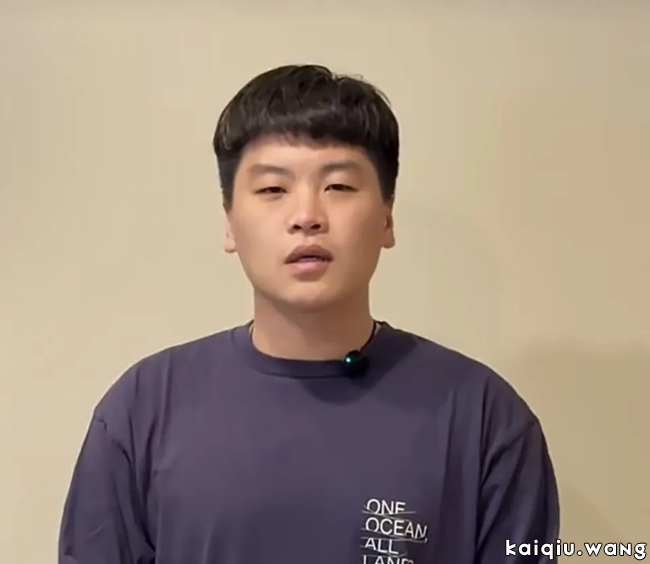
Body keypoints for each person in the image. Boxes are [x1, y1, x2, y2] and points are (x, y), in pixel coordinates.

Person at [58, 64, 559, 564]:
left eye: (338, 187)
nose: (307, 216)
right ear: (230, 222)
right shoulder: (144, 409)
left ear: (387, 216)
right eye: (273, 190)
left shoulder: (484, 417)